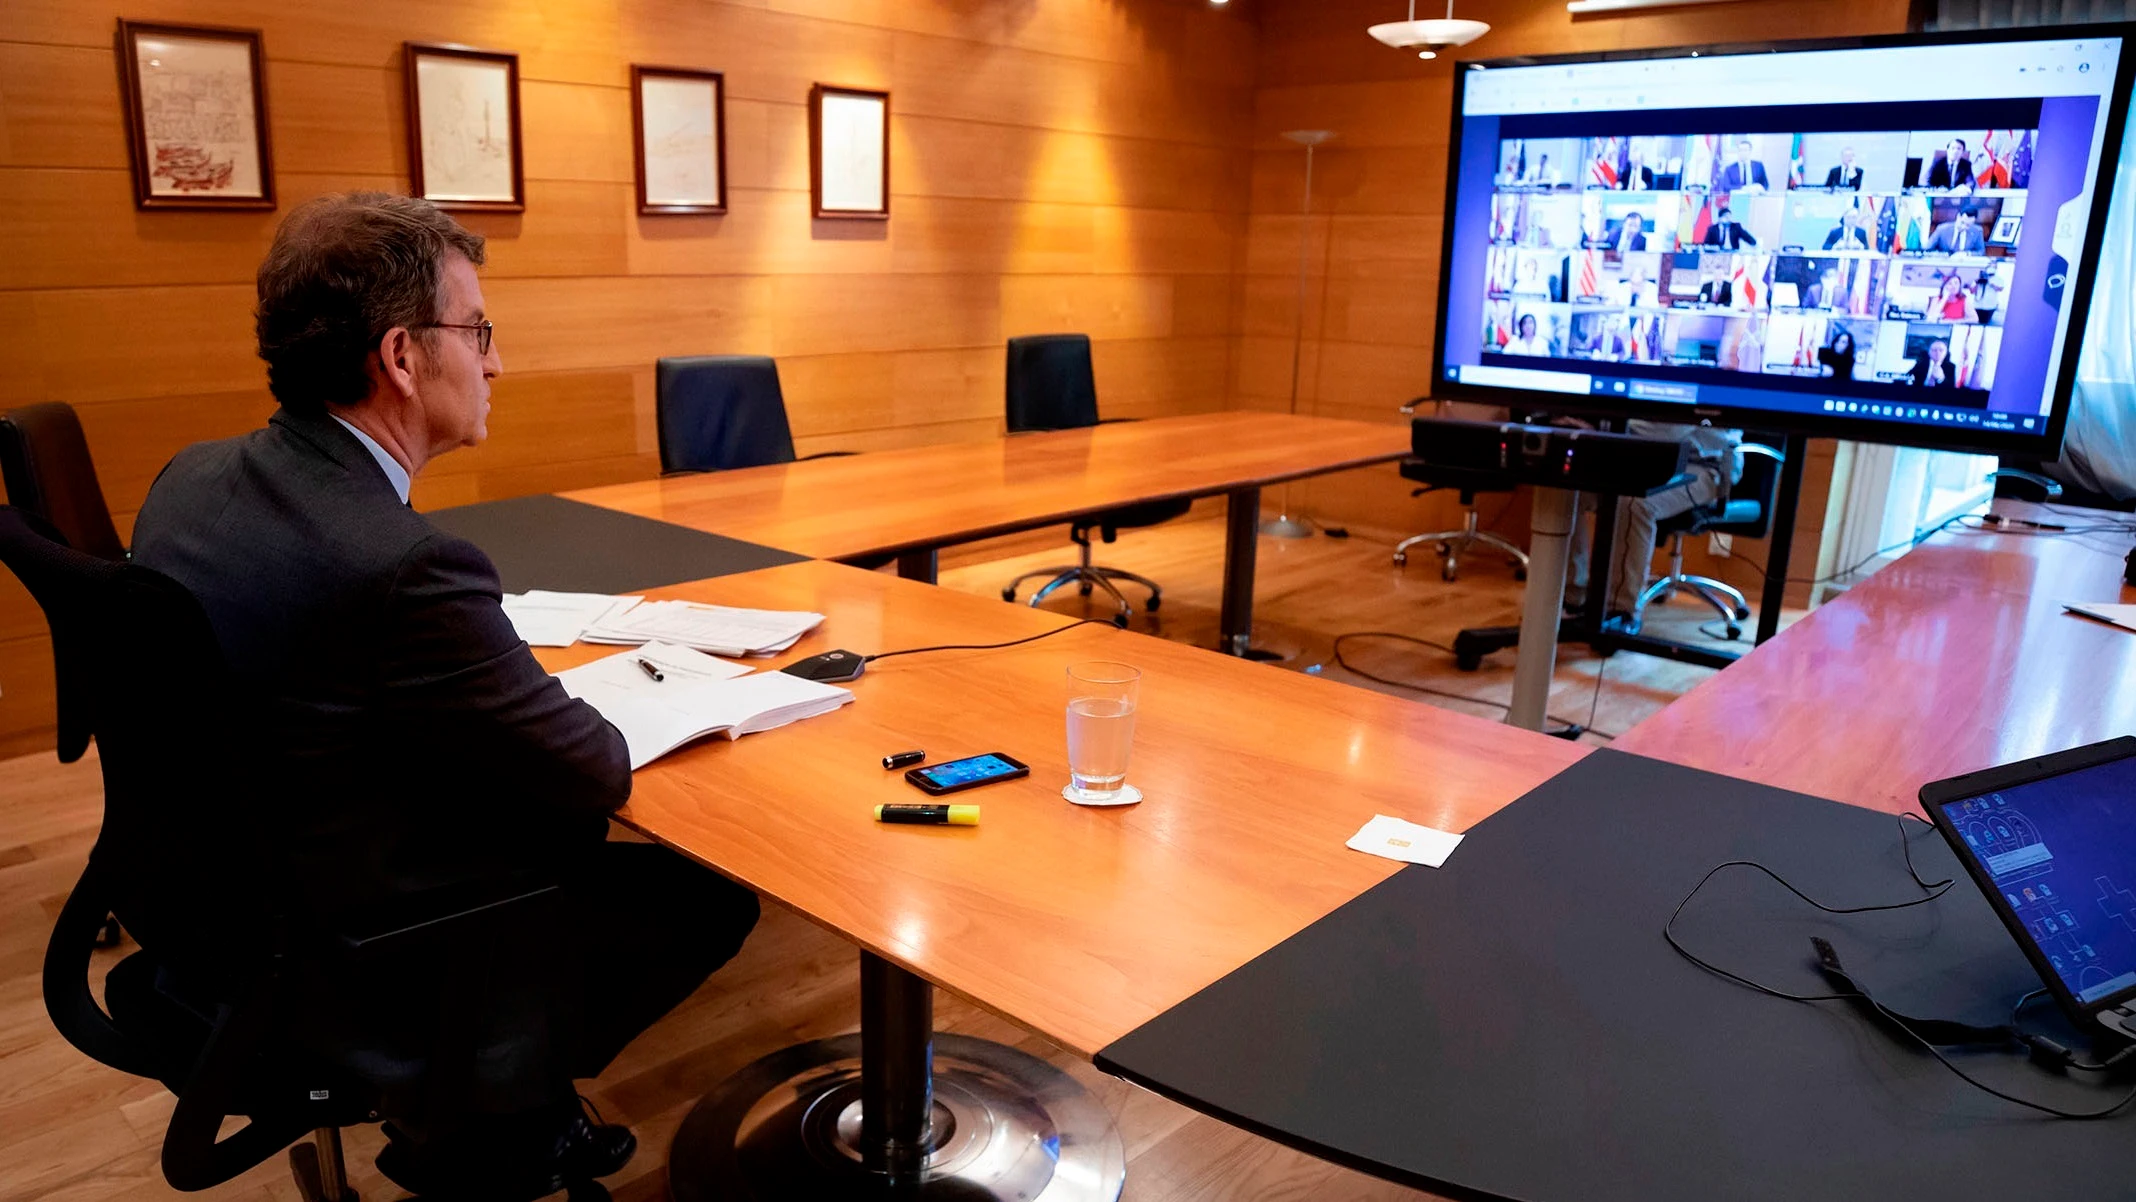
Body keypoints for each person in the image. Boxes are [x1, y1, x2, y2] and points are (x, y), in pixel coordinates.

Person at [129, 193, 760, 1196]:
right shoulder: (403, 565)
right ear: (402, 357)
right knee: (701, 893)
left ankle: (508, 1099)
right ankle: (486, 1126)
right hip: (355, 946)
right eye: (478, 330)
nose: (496, 361)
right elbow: (593, 767)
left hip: (213, 909)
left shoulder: (190, 478)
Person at [1565, 422, 1744, 630]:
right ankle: (1573, 597)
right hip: (1640, 456)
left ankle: (1620, 611)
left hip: (1704, 466)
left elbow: (1664, 429)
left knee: (1634, 502)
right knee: (1568, 491)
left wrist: (1598, 423)